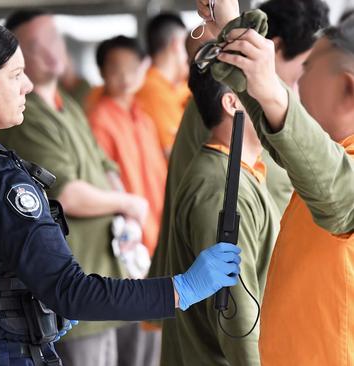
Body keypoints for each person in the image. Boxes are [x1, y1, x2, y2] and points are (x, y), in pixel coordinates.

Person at [0, 19, 242, 366]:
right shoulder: (1, 181)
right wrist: (182, 288)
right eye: (15, 75)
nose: (26, 86)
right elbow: (72, 293)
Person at [198, 0, 354, 364]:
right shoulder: (332, 153)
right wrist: (229, 25)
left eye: (309, 66)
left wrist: (271, 89)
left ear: (348, 88)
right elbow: (289, 140)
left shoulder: (334, 168)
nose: (297, 80)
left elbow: (339, 196)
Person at [0, 10, 152, 365]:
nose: (51, 50)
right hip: (75, 289)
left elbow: (105, 165)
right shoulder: (26, 115)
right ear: (18, 60)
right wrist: (129, 203)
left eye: (54, 38)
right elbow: (66, 193)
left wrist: (126, 212)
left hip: (108, 276)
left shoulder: (68, 105)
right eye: (36, 46)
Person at [148, 0, 329, 285]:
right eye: (305, 64)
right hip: (230, 295)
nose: (305, 78)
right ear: (276, 46)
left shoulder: (255, 103)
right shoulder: (232, 100)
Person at [160, 63, 280, 366]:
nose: (277, 95)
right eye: (262, 83)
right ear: (232, 103)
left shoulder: (236, 174)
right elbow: (239, 322)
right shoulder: (221, 190)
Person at [86, 35, 168, 366]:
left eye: (132, 69)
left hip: (156, 236)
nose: (124, 77)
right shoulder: (99, 119)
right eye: (115, 69)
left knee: (150, 344)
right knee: (135, 346)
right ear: (103, 72)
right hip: (129, 247)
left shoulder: (142, 115)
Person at [135, 13, 191, 158]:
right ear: (176, 44)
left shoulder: (177, 85)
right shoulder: (152, 88)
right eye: (187, 43)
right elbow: (173, 152)